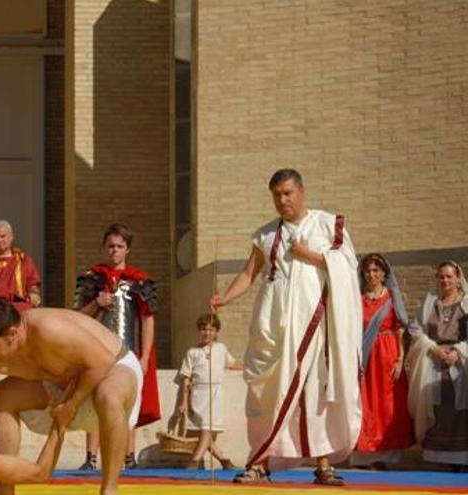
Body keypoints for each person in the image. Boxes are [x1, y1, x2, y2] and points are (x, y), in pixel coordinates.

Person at [209, 168, 362, 485]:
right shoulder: (265, 234)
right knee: (268, 395)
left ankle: (323, 465)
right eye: (277, 195)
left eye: (288, 193)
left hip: (314, 326)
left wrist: (310, 255)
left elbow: (347, 266)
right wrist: (225, 297)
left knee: (314, 394)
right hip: (273, 327)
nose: (283, 200)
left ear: (302, 192)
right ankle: (260, 463)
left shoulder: (326, 224)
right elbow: (249, 273)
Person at [0, 299, 143, 495]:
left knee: (109, 394)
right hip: (61, 386)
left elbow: (102, 363)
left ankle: (109, 489)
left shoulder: (48, 328)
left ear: (12, 333)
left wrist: (72, 403)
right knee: (3, 395)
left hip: (113, 367)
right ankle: (4, 488)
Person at [73, 223, 160, 470]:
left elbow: (147, 320)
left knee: (127, 403)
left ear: (127, 250)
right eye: (110, 246)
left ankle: (128, 457)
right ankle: (91, 458)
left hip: (129, 351)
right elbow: (78, 318)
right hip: (97, 351)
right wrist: (96, 303)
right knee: (95, 400)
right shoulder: (92, 279)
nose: (114, 250)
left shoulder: (139, 281)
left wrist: (144, 359)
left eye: (120, 246)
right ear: (104, 248)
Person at [351, 253, 413, 469]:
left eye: (376, 270)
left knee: (386, 405)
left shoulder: (391, 298)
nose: (371, 274)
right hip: (365, 357)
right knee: (366, 404)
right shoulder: (357, 298)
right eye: (368, 270)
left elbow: (399, 328)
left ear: (384, 273)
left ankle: (384, 458)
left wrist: (400, 359)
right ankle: (363, 456)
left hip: (388, 355)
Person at [405, 260, 468, 470]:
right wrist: (432, 348)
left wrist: (459, 352)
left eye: (449, 276)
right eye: (441, 277)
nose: (445, 280)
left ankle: (461, 459)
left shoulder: (466, 304)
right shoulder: (430, 303)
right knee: (434, 406)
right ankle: (436, 457)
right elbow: (415, 329)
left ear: (458, 278)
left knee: (460, 407)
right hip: (433, 361)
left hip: (460, 364)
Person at [175, 313, 238, 469]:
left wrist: (253, 370)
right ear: (199, 331)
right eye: (204, 329)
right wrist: (184, 402)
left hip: (214, 393)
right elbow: (186, 378)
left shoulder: (221, 348)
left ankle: (194, 460)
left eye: (210, 330)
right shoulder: (192, 352)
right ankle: (225, 460)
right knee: (204, 430)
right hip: (198, 394)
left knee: (206, 428)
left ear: (216, 332)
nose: (207, 333)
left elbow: (232, 364)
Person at [0, 220, 42, 312]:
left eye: (3, 236)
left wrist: (33, 293)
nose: (0, 241)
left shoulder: (23, 260)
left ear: (11, 236)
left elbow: (32, 283)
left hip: (18, 306)